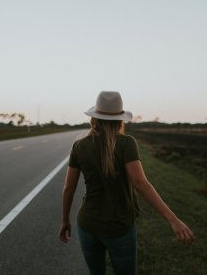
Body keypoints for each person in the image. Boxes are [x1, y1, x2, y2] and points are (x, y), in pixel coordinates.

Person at [58, 91, 194, 275]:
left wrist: (65, 220)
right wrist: (172, 219)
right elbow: (140, 183)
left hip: (87, 225)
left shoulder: (79, 145)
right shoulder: (126, 143)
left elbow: (69, 188)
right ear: (120, 120)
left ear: (94, 119)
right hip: (119, 227)